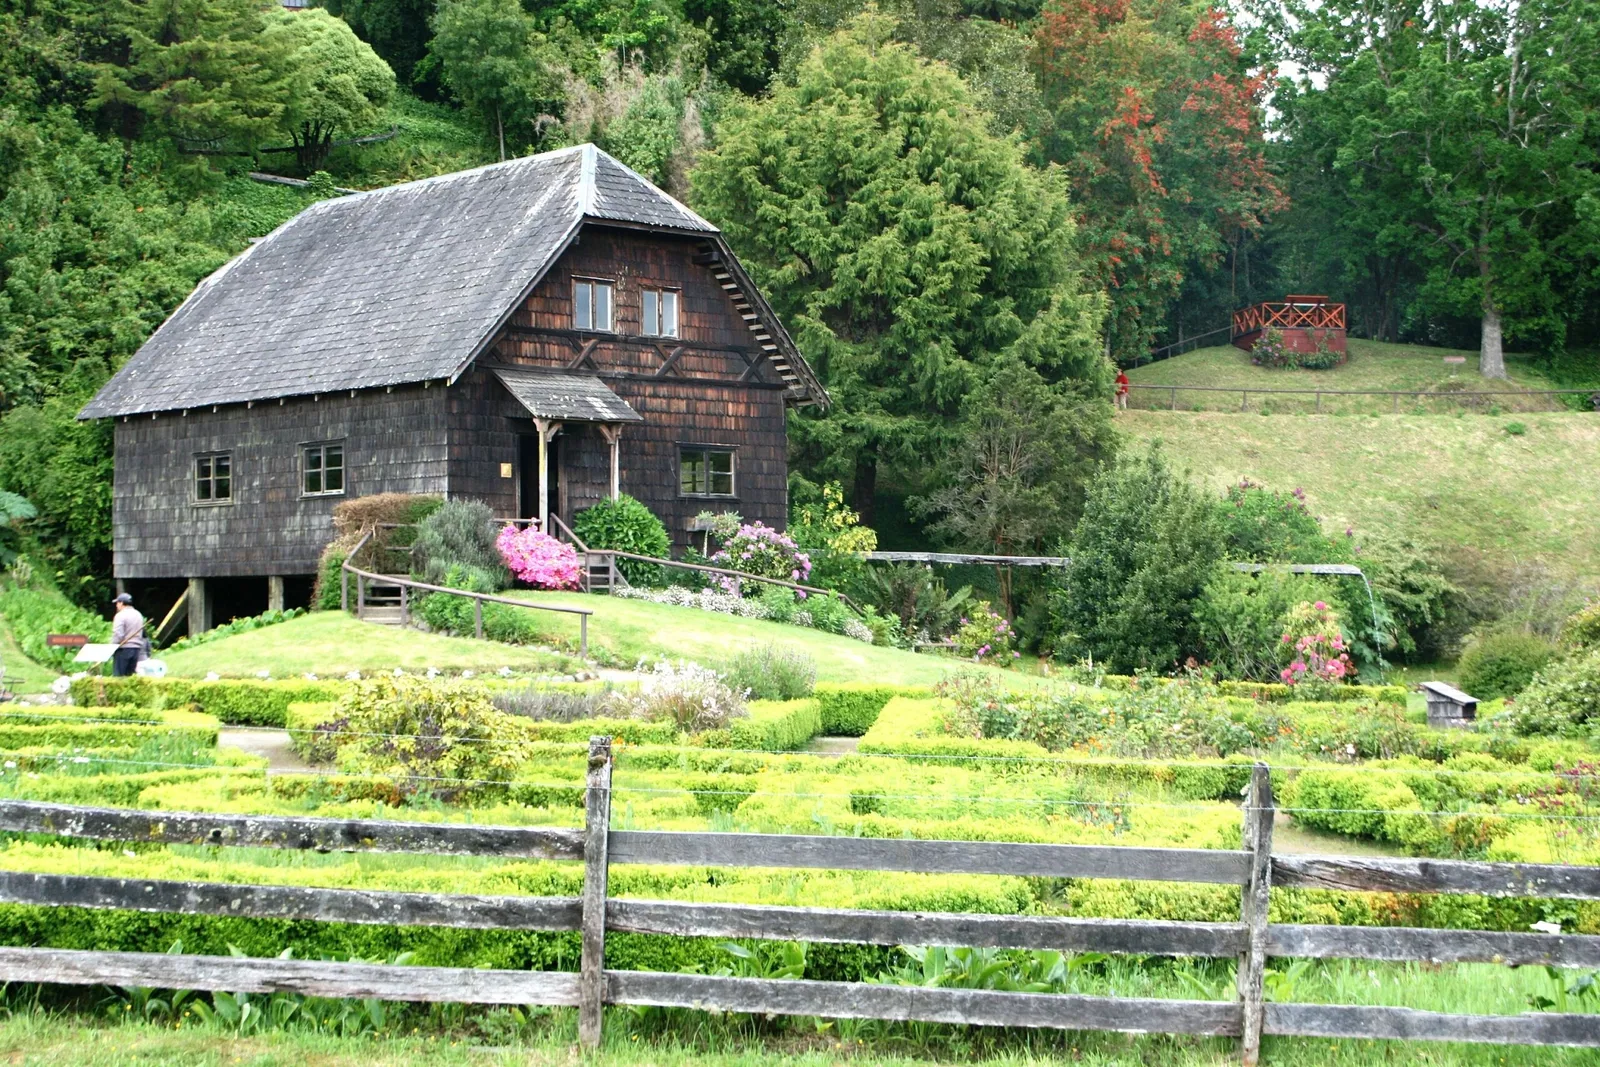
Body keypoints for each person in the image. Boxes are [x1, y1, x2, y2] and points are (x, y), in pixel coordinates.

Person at [110, 593, 145, 678]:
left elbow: (118, 635)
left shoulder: (120, 615)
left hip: (123, 649)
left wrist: (111, 647)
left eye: (117, 603)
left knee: (119, 678)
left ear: (121, 603)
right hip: (136, 649)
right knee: (130, 677)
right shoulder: (138, 615)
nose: (116, 605)